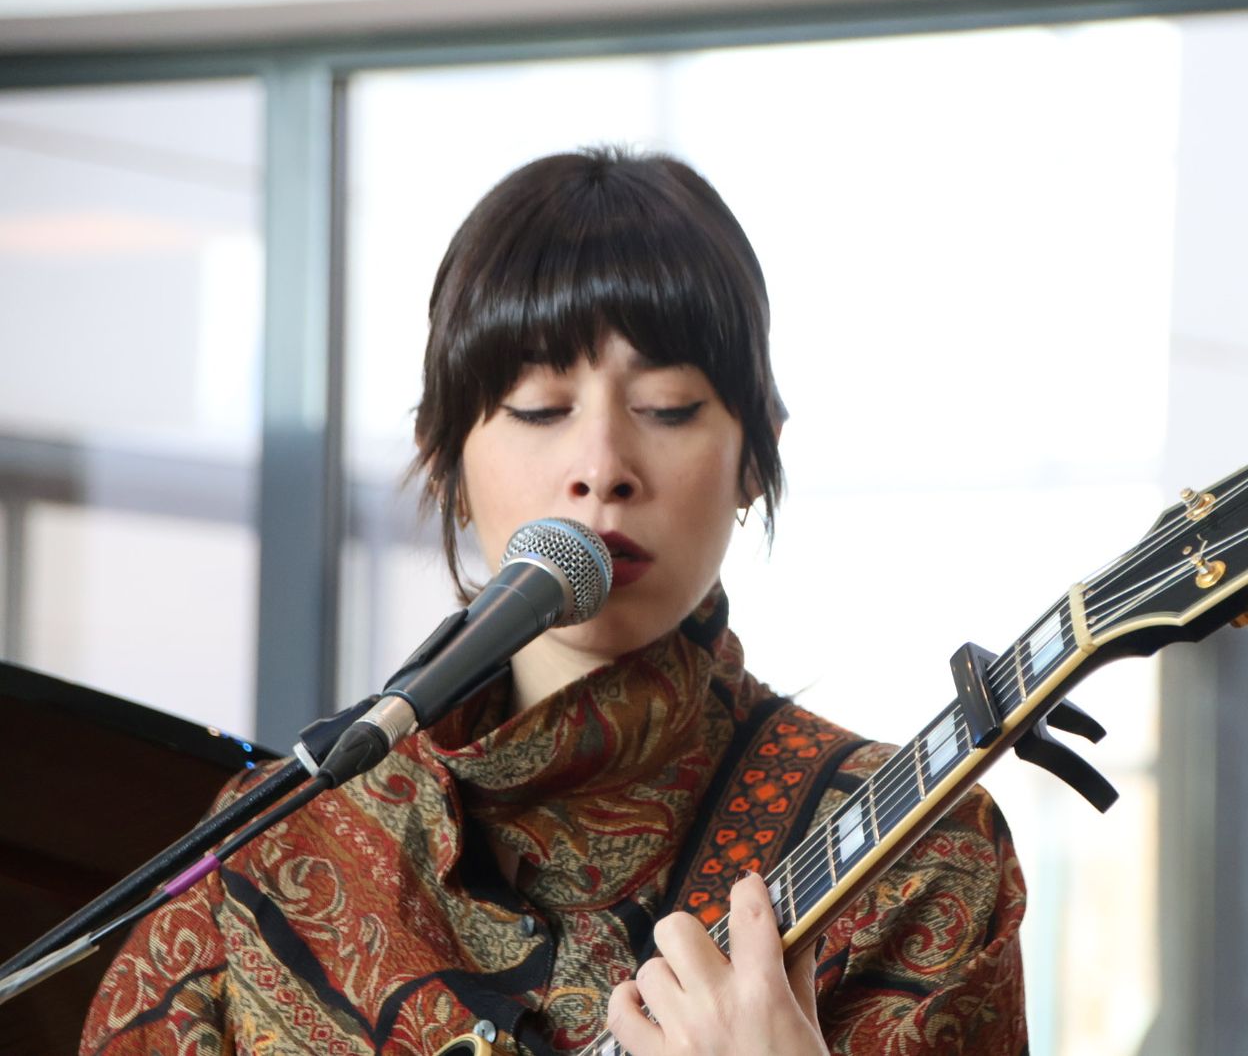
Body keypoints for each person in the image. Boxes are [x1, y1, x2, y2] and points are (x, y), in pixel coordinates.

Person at [80, 148, 1027, 1056]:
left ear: (755, 455)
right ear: (446, 456)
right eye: (539, 408)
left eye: (667, 407)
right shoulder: (272, 845)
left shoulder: (918, 851)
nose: (601, 468)